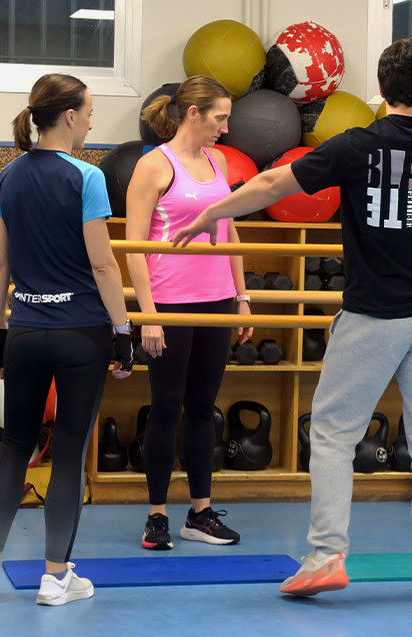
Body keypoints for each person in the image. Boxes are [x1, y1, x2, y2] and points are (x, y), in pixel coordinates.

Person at [171, 38, 412, 598]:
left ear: (381, 90)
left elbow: (273, 183)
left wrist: (210, 214)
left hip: (374, 316)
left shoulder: (360, 145)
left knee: (331, 434)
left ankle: (326, 555)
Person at [0, 74, 133, 606]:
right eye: (91, 111)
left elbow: (0, 265)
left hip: (27, 330)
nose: (94, 121)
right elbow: (103, 263)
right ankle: (57, 577)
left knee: (13, 446)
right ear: (71, 117)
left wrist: (0, 335)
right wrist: (123, 331)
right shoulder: (88, 176)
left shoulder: (6, 176)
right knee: (70, 451)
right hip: (82, 333)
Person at [125, 75, 252, 550]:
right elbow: (135, 249)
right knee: (165, 409)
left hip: (216, 301)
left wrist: (242, 297)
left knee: (203, 410)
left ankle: (200, 512)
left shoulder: (218, 161)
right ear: (193, 114)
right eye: (220, 117)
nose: (225, 127)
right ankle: (156, 515)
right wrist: (149, 315)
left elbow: (230, 234)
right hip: (171, 304)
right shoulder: (154, 166)